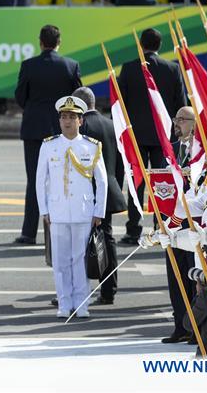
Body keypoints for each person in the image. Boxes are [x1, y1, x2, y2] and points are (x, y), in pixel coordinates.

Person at [36, 96, 108, 319]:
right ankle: (64, 303)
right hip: (57, 211)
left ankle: (82, 303)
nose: (67, 121)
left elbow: (102, 180)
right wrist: (44, 210)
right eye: (63, 117)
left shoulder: (90, 146)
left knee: (79, 259)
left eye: (72, 117)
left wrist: (99, 211)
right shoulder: (49, 145)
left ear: (81, 121)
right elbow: (40, 180)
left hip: (83, 210)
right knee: (60, 261)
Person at [14, 25, 82, 244]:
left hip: (34, 129)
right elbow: (78, 99)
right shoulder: (70, 66)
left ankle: (28, 232)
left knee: (35, 179)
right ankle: (60, 229)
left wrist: (34, 109)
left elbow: (20, 96)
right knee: (63, 180)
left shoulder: (29, 65)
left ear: (40, 42)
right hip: (62, 129)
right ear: (58, 42)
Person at [118, 29, 186, 245]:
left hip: (136, 135)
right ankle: (162, 225)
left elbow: (121, 105)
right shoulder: (172, 68)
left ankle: (133, 229)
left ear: (141, 44)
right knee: (162, 182)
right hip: (163, 136)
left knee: (136, 182)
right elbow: (180, 105)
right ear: (159, 44)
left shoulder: (129, 68)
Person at [72, 87, 126, 305]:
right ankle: (108, 288)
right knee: (106, 239)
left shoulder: (82, 127)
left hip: (87, 192)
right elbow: (121, 163)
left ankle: (79, 289)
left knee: (81, 242)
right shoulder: (112, 125)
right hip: (109, 188)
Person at [161, 106, 197, 343]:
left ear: (194, 124)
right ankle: (180, 325)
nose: (177, 124)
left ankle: (196, 327)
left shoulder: (202, 152)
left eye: (182, 120)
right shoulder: (171, 150)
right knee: (175, 275)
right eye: (176, 119)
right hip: (173, 221)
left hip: (193, 222)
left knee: (194, 276)